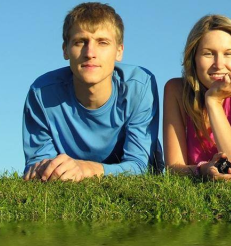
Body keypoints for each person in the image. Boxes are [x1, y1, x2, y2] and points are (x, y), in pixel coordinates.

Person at [22, 2, 163, 182]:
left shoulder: (140, 86)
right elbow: (38, 166)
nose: (90, 53)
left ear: (119, 51)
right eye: (80, 42)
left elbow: (139, 165)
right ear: (65, 49)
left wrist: (85, 168)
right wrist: (48, 169)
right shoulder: (41, 93)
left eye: (102, 42)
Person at [163, 15, 231, 180]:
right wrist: (203, 170)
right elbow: (173, 168)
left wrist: (213, 102)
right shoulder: (175, 90)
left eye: (228, 54)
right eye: (208, 54)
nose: (219, 64)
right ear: (193, 58)